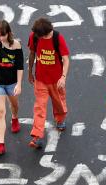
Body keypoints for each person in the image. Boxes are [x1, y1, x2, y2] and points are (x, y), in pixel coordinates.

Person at [26, 17, 69, 150]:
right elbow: (32, 54)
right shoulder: (35, 36)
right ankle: (37, 136)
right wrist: (30, 72)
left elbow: (66, 59)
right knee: (39, 107)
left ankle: (60, 119)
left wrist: (63, 77)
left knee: (59, 102)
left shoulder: (58, 38)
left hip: (56, 80)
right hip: (41, 79)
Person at [0, 19, 24, 156]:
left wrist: (19, 84)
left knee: (14, 104)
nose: (1, 37)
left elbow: (19, 66)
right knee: (0, 112)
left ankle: (15, 117)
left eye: (4, 35)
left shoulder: (16, 45)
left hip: (12, 83)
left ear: (8, 33)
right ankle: (1, 144)